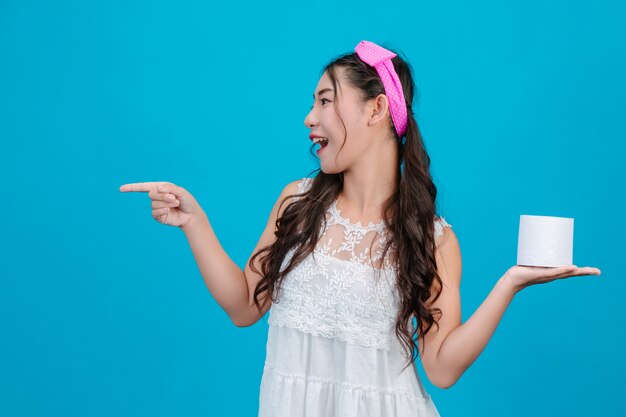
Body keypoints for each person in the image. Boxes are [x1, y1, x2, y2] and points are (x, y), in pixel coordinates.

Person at [120, 40, 601, 417]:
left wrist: (509, 284)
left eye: (326, 100)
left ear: (375, 110)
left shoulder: (432, 238)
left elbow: (441, 368)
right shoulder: (297, 202)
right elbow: (246, 305)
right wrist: (195, 222)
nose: (310, 118)